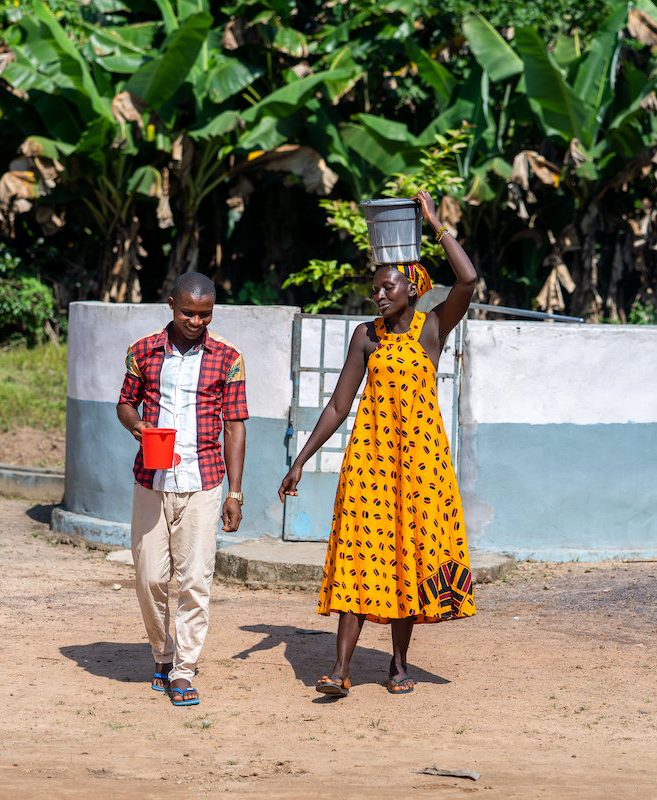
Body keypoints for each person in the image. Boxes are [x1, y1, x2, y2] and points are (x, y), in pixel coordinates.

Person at [278, 189, 478, 697]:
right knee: (358, 558)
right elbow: (339, 405)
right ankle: (340, 670)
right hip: (369, 464)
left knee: (407, 558)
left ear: (411, 288)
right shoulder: (366, 337)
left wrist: (434, 222)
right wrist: (301, 459)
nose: (379, 295)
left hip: (420, 466)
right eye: (375, 289)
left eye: (388, 287)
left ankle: (399, 663)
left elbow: (468, 279)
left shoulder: (433, 328)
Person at [116, 272, 247, 707]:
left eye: (204, 314)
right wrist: (137, 426)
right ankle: (162, 653)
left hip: (204, 482)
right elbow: (125, 402)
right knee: (149, 576)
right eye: (188, 312)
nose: (196, 321)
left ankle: (184, 670)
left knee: (195, 581)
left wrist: (235, 492)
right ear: (171, 305)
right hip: (151, 480)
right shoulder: (144, 351)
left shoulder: (228, 358)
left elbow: (235, 425)